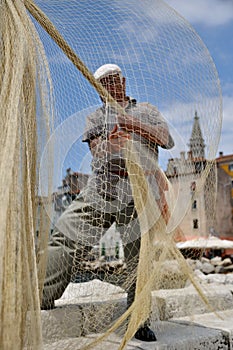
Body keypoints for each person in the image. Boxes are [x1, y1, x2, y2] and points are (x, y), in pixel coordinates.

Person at [41, 63, 174, 342]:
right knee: (64, 233)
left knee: (140, 258)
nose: (109, 88)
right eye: (102, 85)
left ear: (123, 82)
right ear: (98, 91)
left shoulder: (147, 110)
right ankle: (42, 298)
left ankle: (139, 321)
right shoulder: (95, 118)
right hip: (102, 188)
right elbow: (97, 151)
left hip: (139, 191)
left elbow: (166, 139)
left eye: (113, 81)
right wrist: (110, 145)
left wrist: (130, 123)